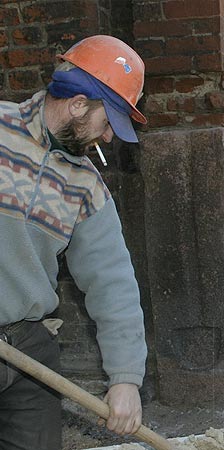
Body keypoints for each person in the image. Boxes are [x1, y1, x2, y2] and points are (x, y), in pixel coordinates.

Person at [0, 35, 148, 450]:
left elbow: (113, 282)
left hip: (29, 347)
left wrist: (125, 380)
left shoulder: (85, 185)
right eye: (106, 124)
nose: (106, 139)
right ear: (79, 105)